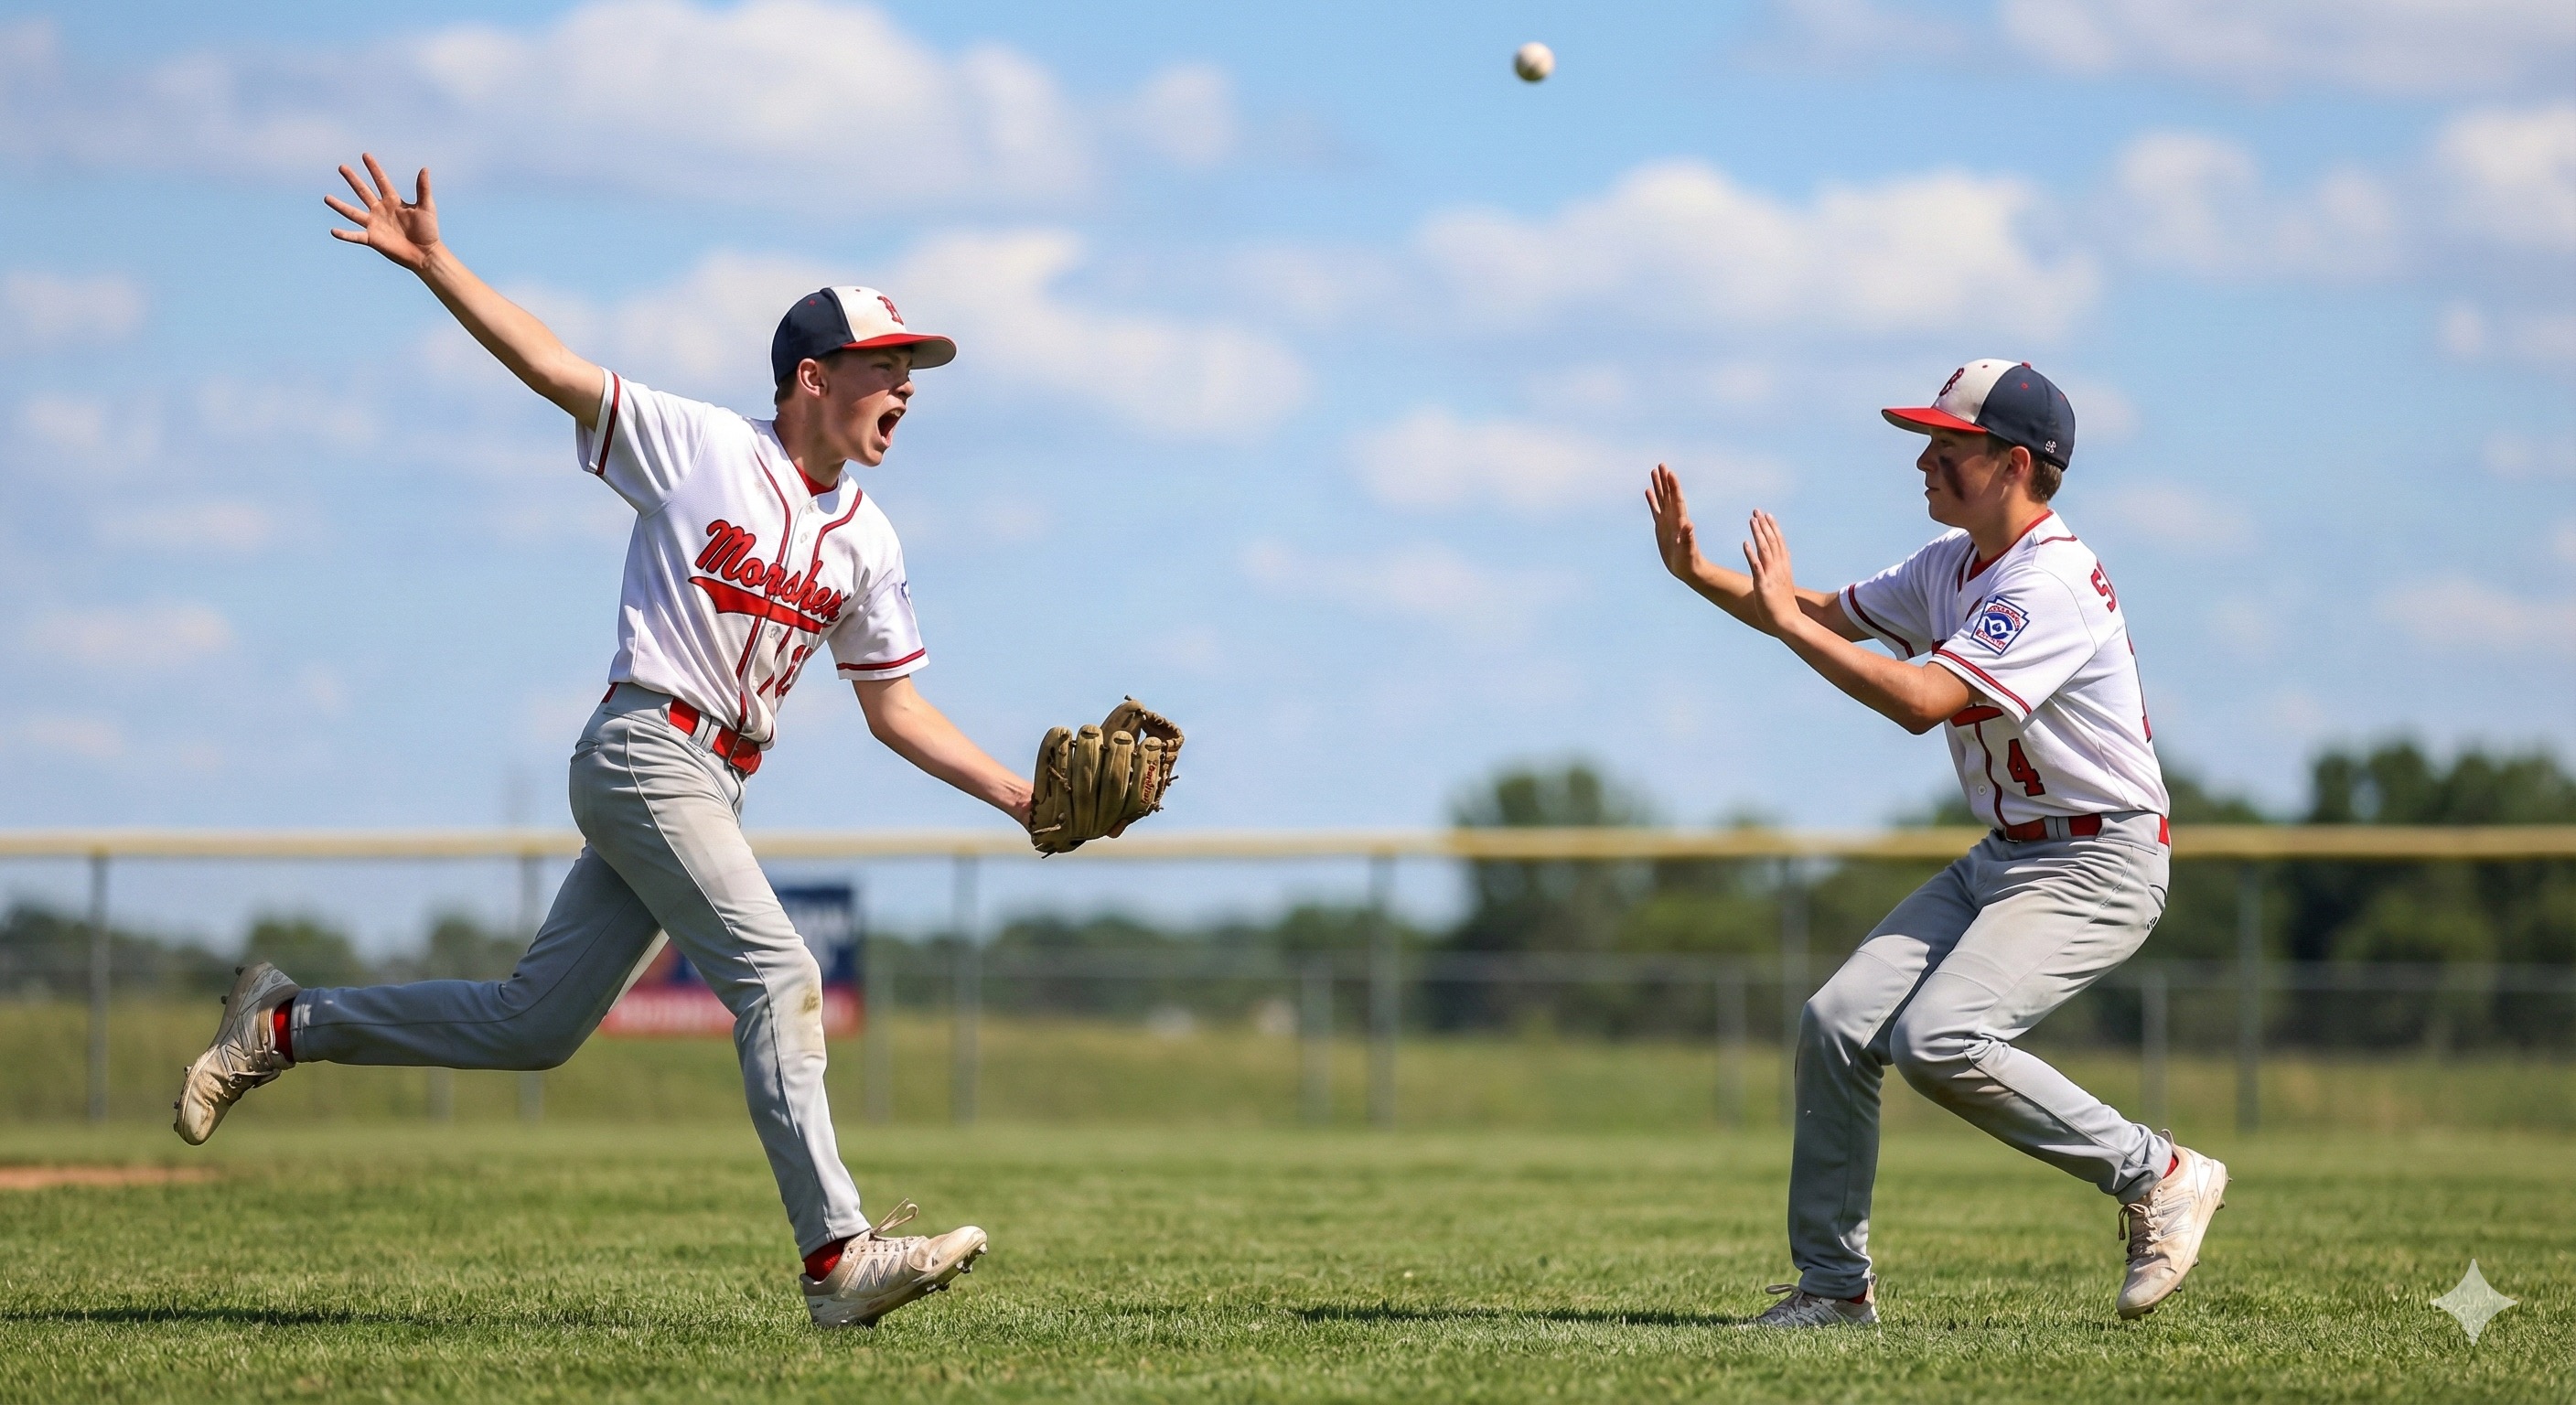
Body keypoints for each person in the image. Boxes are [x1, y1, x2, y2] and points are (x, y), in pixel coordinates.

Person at [174, 154, 1032, 1330]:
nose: (908, 388)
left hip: (715, 785)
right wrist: (435, 266)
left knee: (532, 1025)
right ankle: (836, 1261)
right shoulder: (699, 447)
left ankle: (279, 1024)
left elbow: (894, 706)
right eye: (889, 367)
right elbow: (552, 364)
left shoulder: (867, 542)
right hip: (643, 747)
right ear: (811, 376)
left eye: (912, 371)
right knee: (781, 975)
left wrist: (1022, 798)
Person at [1644, 359, 2227, 1325]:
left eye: (1944, 446)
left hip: (2098, 859)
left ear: (2009, 464)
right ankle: (1833, 1293)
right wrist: (1696, 573)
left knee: (1938, 1037)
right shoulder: (1947, 566)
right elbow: (1818, 613)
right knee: (1836, 1025)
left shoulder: (2049, 583)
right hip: (2008, 856)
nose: (1920, 459)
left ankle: (2156, 1173)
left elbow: (1919, 701)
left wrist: (1786, 620)